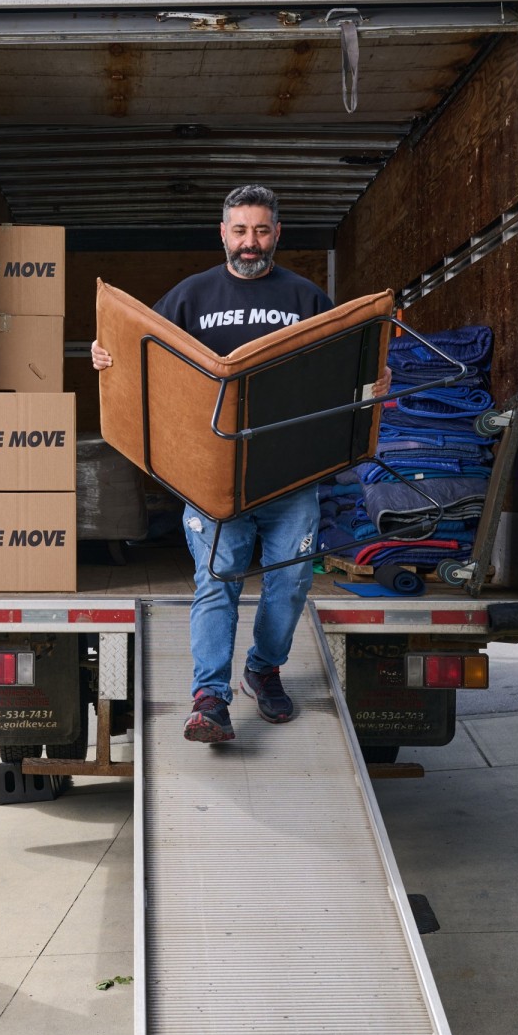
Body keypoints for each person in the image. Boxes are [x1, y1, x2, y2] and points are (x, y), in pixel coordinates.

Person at [92, 184, 381, 744]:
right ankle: (209, 699)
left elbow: (348, 368)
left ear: (278, 234)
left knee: (292, 580)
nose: (251, 243)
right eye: (241, 231)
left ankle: (264, 669)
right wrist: (105, 354)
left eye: (262, 230)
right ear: (223, 233)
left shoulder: (306, 299)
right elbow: (137, 350)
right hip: (212, 477)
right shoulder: (189, 297)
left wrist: (375, 379)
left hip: (291, 475)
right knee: (216, 581)